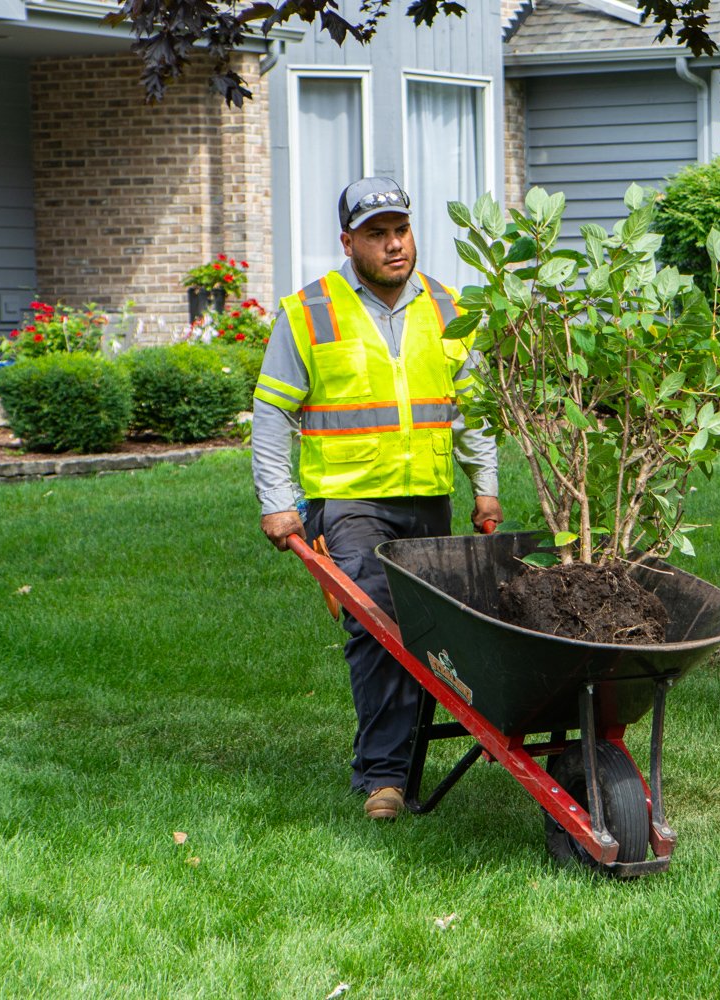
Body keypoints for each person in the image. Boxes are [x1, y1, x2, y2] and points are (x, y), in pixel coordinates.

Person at [250, 176, 503, 821]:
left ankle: (405, 761)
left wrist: (487, 488)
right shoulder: (309, 311)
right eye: (376, 235)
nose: (394, 245)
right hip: (347, 501)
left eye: (401, 230)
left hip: (428, 499)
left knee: (424, 632)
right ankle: (384, 778)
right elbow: (273, 414)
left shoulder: (450, 310)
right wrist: (277, 502)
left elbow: (472, 411)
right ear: (348, 242)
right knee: (377, 626)